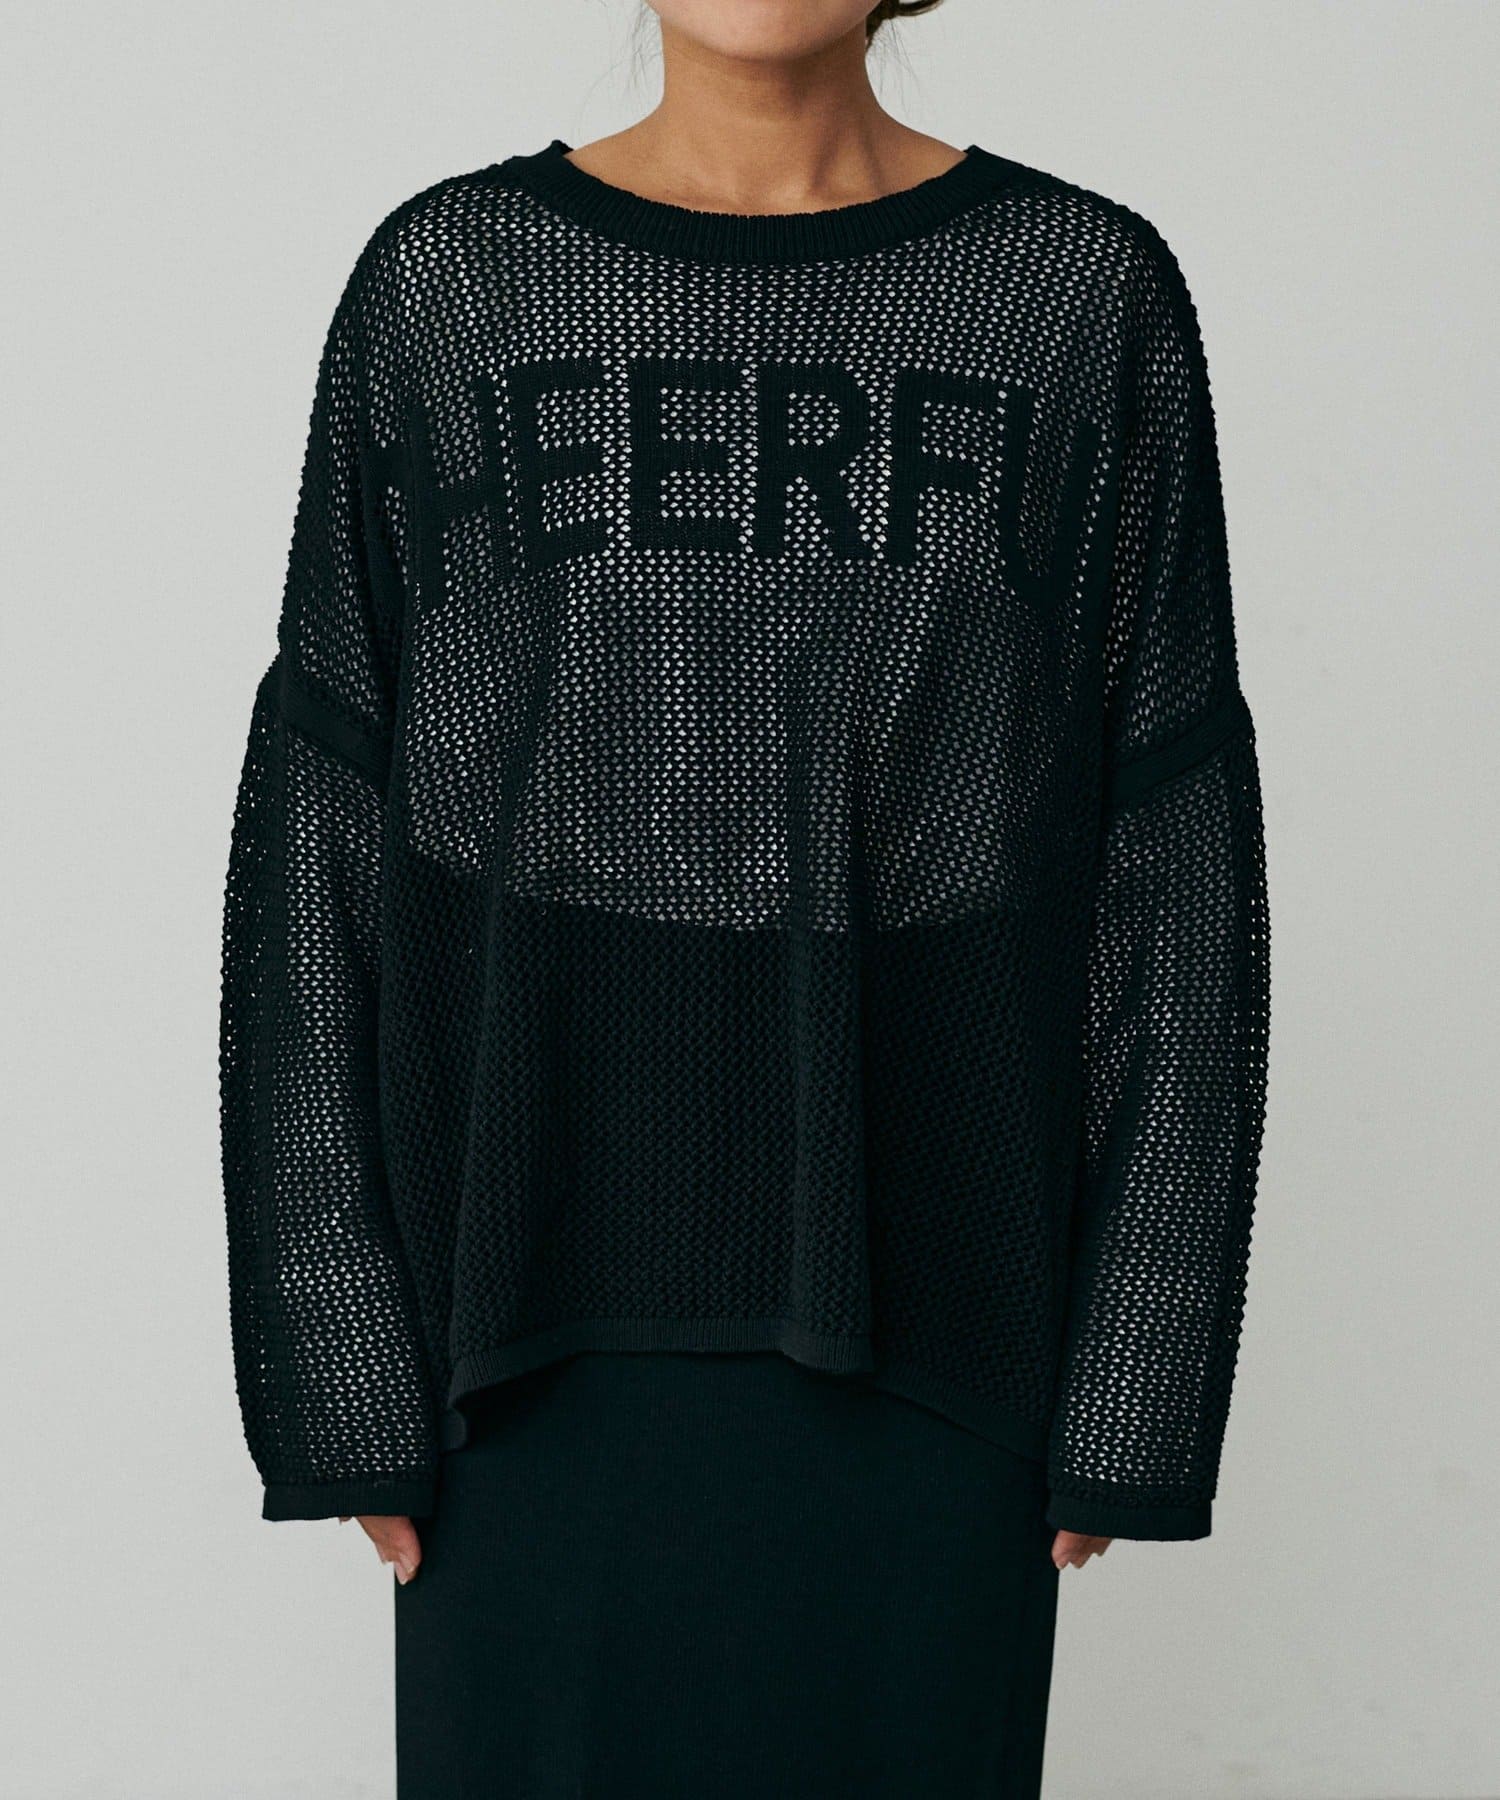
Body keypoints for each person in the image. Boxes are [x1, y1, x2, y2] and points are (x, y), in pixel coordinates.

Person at [217, 1, 1270, 1793]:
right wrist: (340, 1364)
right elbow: (327, 826)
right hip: (519, 1349)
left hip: (938, 1344)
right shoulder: (453, 287)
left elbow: (1168, 858)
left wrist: (1135, 1379)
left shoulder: (1077, 299)